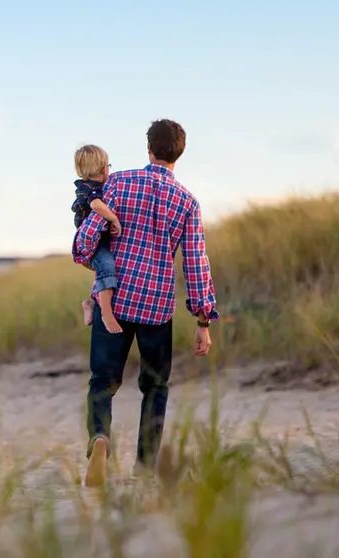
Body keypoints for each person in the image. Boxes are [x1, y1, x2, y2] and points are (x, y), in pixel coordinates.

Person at [73, 119, 218, 487]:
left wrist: (87, 254)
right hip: (156, 308)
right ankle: (145, 467)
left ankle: (100, 439)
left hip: (116, 301)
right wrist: (203, 322)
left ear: (148, 148)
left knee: (102, 382)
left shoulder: (118, 182)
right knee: (155, 387)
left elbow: (86, 237)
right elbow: (196, 263)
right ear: (179, 153)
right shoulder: (187, 201)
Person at [71, 145, 123, 334]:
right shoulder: (89, 189)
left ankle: (91, 302)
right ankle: (106, 314)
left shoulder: (96, 186)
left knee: (106, 269)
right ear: (103, 168)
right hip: (93, 243)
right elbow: (96, 205)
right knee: (107, 266)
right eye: (108, 165)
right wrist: (113, 218)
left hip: (100, 241)